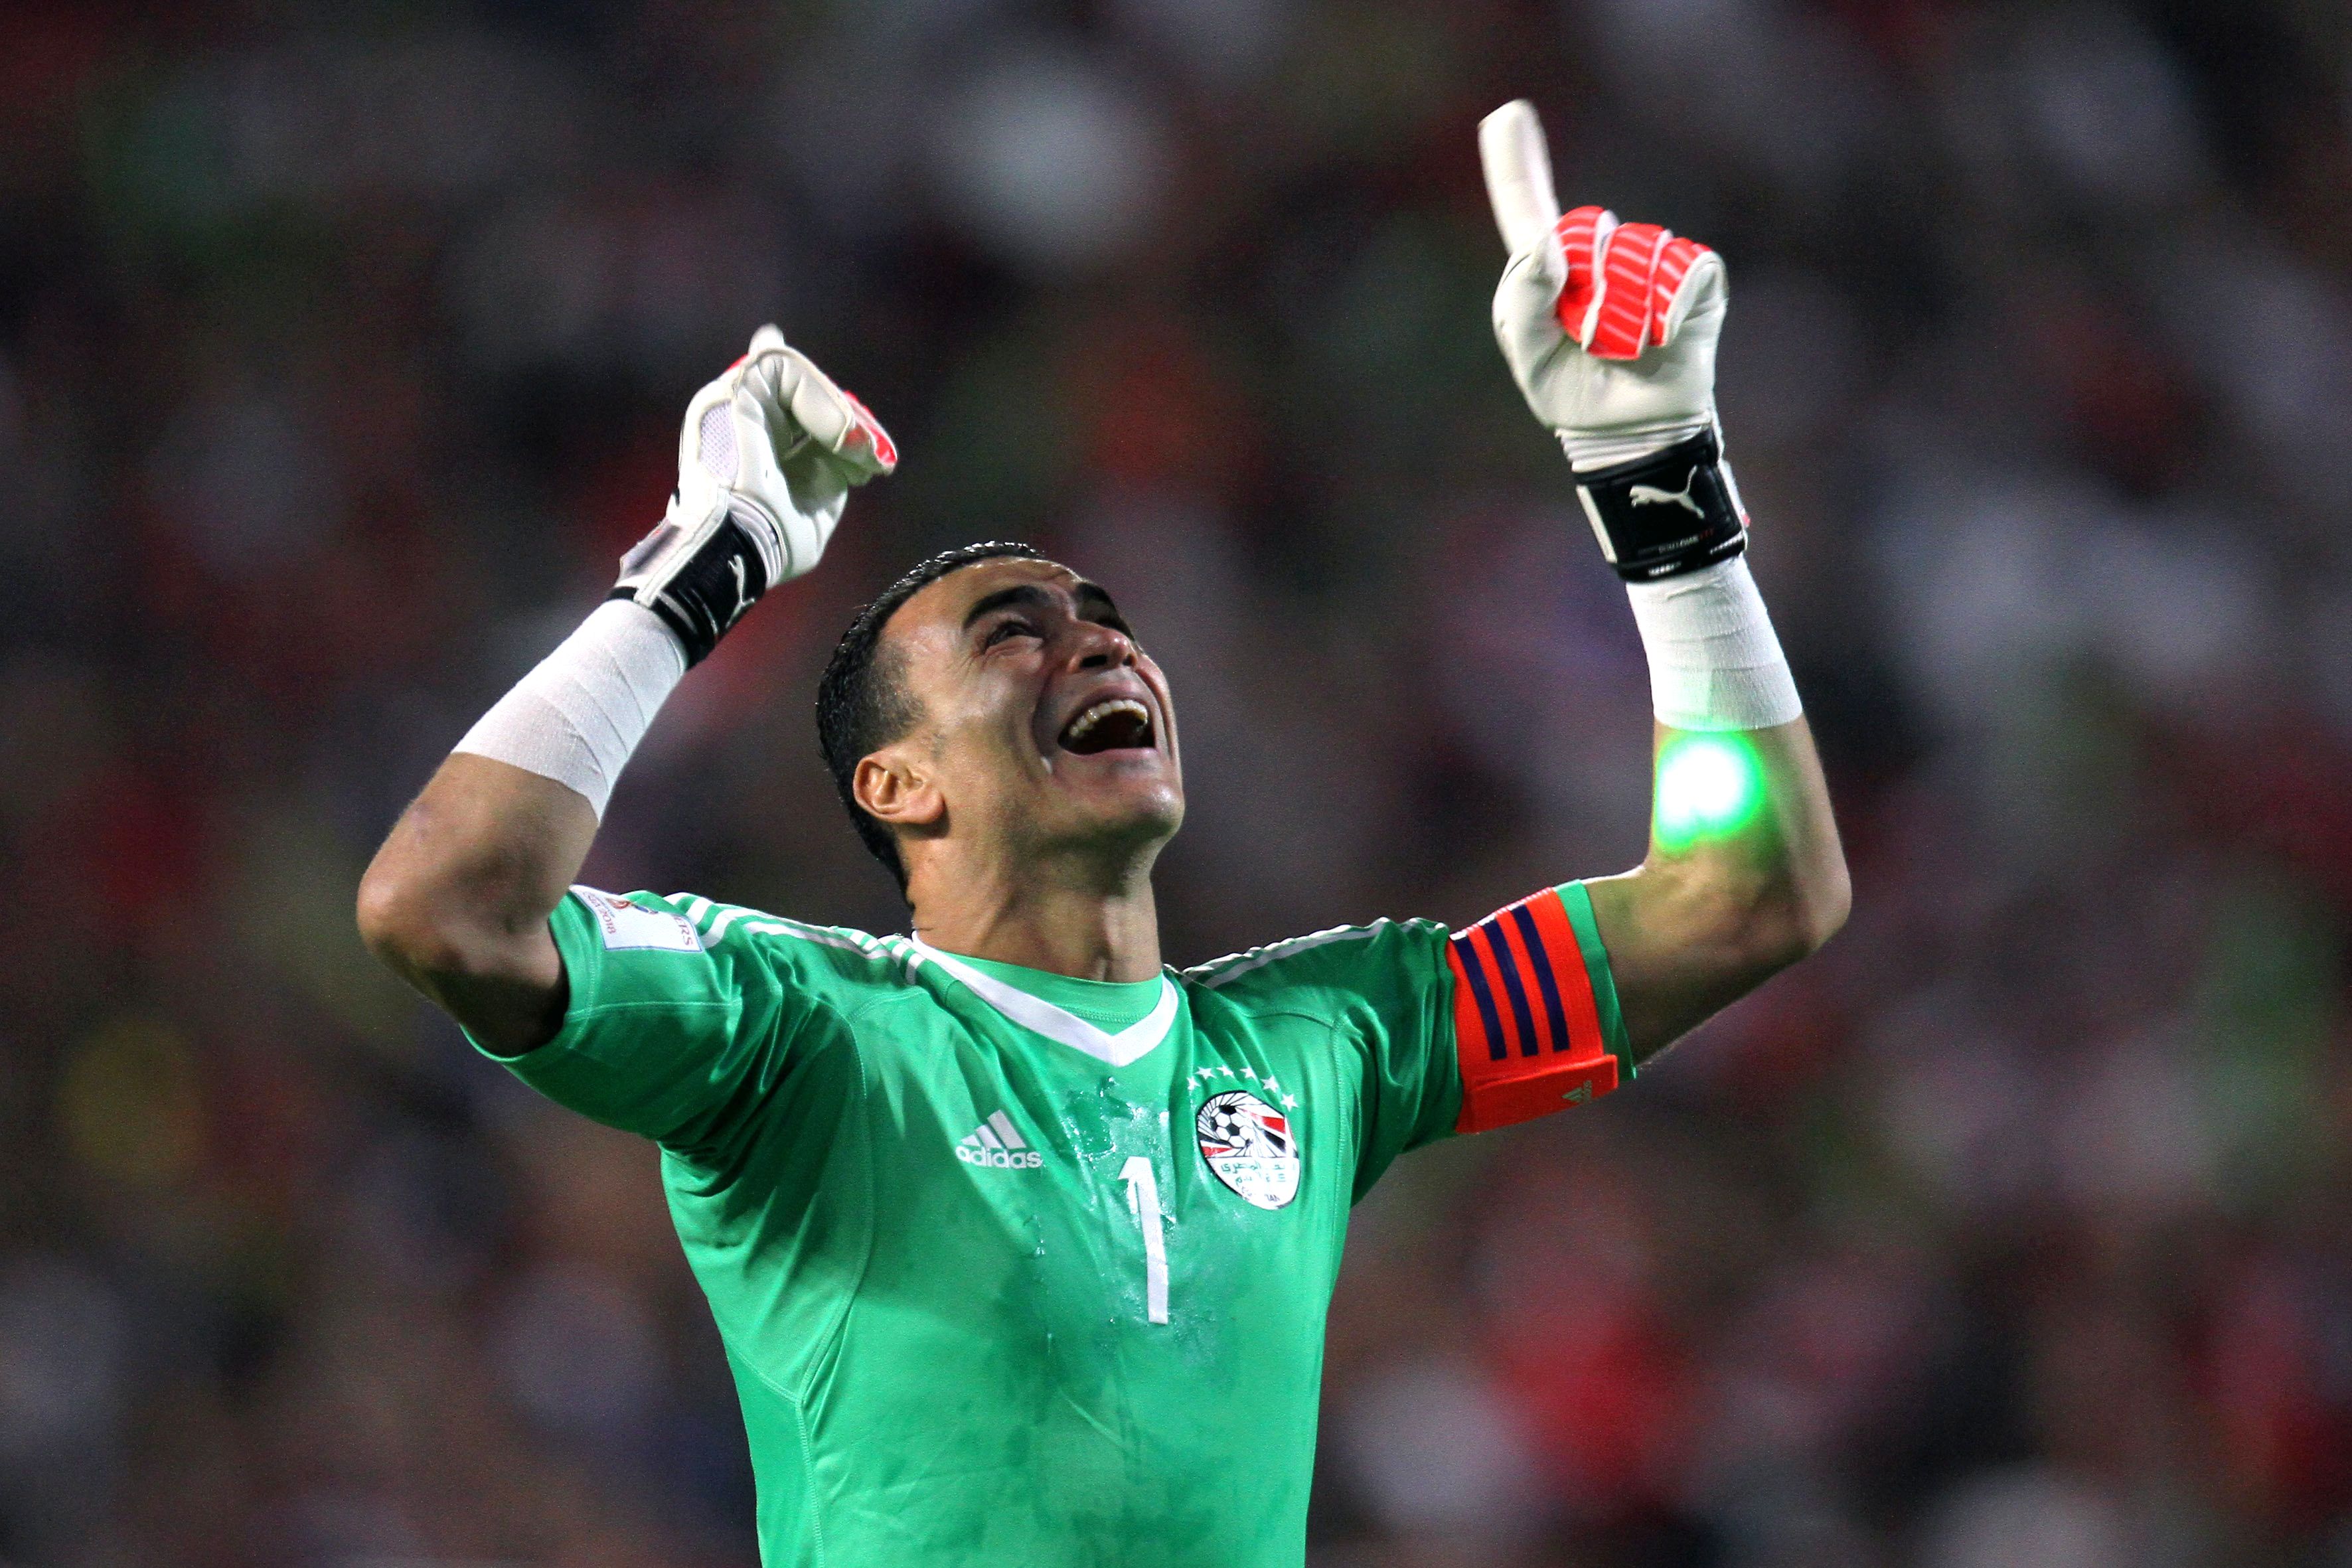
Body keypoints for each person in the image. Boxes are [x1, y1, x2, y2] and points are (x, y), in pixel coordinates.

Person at [356, 102, 1847, 1568]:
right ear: (896, 785)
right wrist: (703, 569)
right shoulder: (795, 1033)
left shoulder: (1323, 1044)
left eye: (1113, 625)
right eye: (1017, 634)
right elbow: (447, 903)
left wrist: (1657, 484)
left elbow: (1745, 895)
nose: (1104, 650)